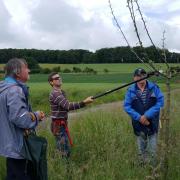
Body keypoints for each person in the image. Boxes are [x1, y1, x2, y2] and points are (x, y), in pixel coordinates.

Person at [0, 58, 45, 180]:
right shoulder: (15, 90)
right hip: (19, 147)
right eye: (26, 68)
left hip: (9, 144)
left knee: (13, 174)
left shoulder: (3, 88)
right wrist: (36, 115)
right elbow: (20, 119)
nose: (29, 70)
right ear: (18, 72)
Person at [123, 68, 164, 166]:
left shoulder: (154, 87)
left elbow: (160, 102)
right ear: (134, 78)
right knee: (141, 148)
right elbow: (127, 107)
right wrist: (139, 117)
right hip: (138, 124)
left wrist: (147, 115)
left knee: (153, 149)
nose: (141, 78)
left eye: (143, 75)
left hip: (153, 123)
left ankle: (153, 168)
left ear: (146, 76)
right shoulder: (130, 90)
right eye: (138, 76)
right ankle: (142, 166)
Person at [48, 72, 93, 158]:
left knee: (63, 148)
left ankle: (61, 165)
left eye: (60, 77)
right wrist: (84, 102)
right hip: (58, 125)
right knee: (64, 151)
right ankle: (64, 169)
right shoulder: (55, 93)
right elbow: (67, 106)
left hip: (61, 124)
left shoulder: (61, 92)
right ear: (51, 82)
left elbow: (65, 107)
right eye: (56, 78)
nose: (59, 79)